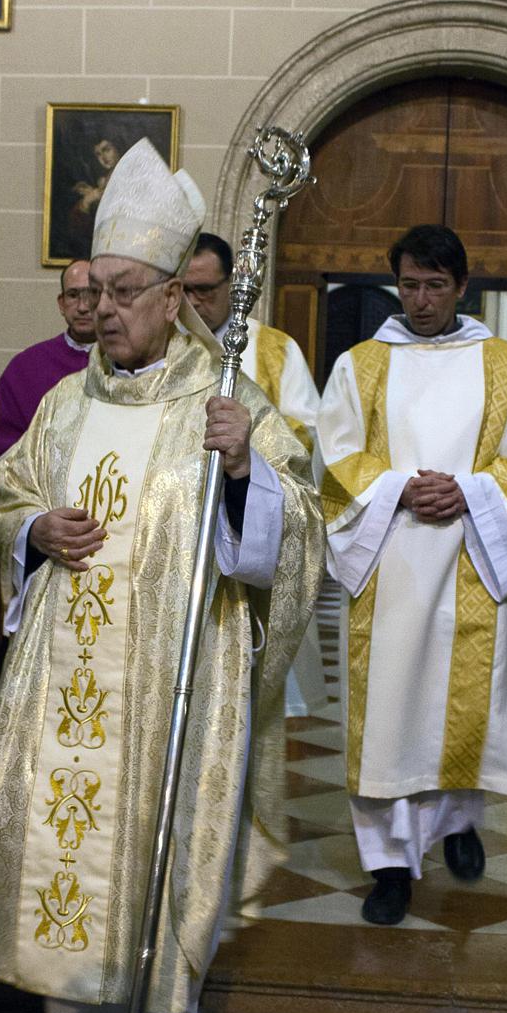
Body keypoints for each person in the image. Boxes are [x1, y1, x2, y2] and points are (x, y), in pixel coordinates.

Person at [0, 139, 323, 1013]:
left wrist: (246, 473)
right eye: (95, 291)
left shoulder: (228, 405)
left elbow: (300, 536)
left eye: (123, 292)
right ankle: (68, 999)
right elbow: (6, 494)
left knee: (153, 835)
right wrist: (35, 528)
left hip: (171, 686)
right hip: (64, 670)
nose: (103, 310)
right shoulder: (66, 404)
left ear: (172, 298)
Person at [314, 224, 507, 925]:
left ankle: (457, 824)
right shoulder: (360, 365)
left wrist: (470, 492)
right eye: (410, 284)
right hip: (392, 556)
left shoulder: (506, 364)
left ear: (461, 287)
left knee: (459, 716)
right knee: (389, 717)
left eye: (434, 285)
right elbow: (334, 457)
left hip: (473, 554)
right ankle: (389, 868)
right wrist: (398, 487)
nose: (420, 299)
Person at [185, 232, 329, 718]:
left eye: (205, 289)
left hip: (246, 529)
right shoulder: (170, 350)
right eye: (184, 289)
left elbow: (305, 441)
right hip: (182, 533)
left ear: (233, 284)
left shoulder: (273, 350)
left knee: (248, 707)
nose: (195, 301)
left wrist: (250, 452)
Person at [0, 260, 95, 471]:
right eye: (73, 295)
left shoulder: (131, 363)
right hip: (43, 497)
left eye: (92, 294)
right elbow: (0, 452)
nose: (82, 306)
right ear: (61, 304)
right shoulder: (25, 368)